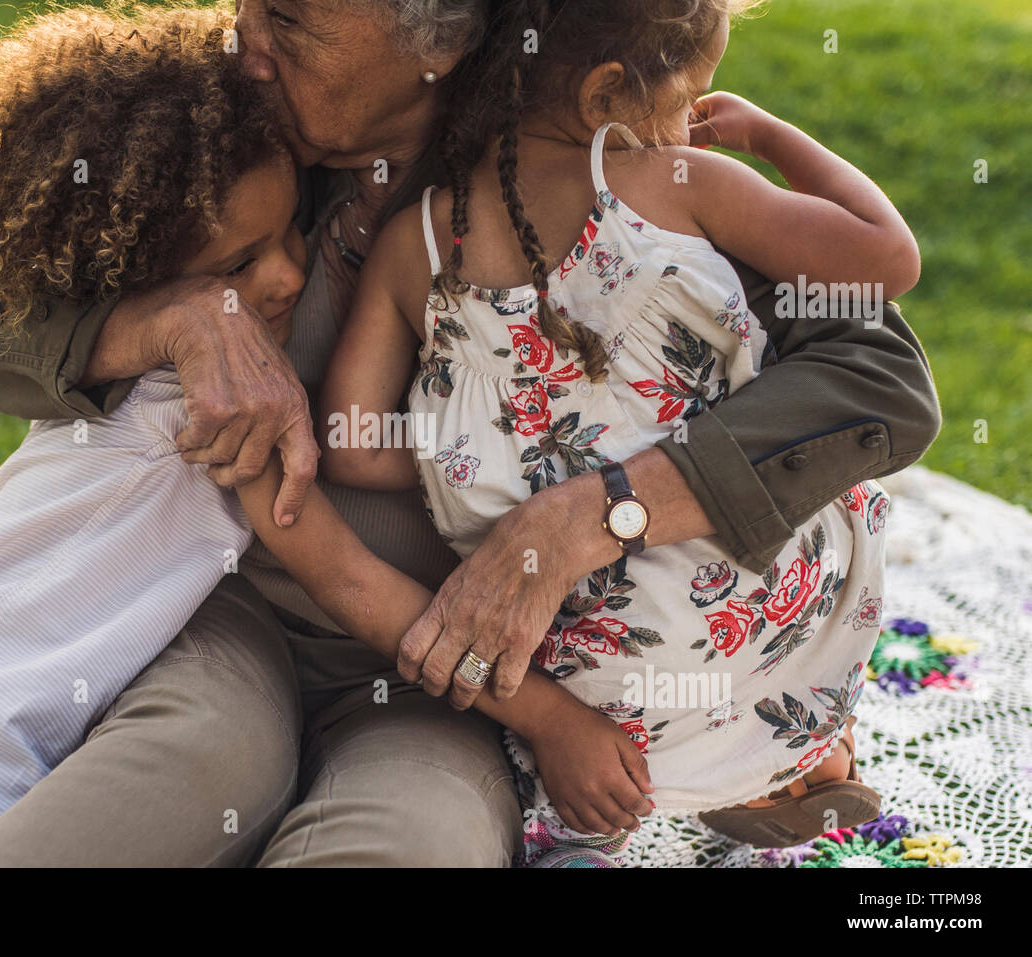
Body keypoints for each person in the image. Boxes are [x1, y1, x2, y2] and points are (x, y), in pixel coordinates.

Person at [0, 0, 940, 868]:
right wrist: (175, 317)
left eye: (293, 18)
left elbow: (880, 383)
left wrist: (590, 514)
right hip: (240, 622)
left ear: (444, 40)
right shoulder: (233, 127)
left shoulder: (609, 160)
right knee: (189, 772)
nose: (244, 35)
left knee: (408, 839)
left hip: (466, 691)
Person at [317, 0, 912, 863]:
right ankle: (802, 752)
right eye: (690, 96)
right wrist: (772, 137)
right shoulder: (679, 182)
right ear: (608, 92)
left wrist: (483, 451)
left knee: (594, 669)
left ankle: (575, 830)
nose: (691, 121)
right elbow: (888, 264)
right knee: (836, 477)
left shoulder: (413, 245)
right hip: (762, 598)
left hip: (587, 675)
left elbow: (354, 445)